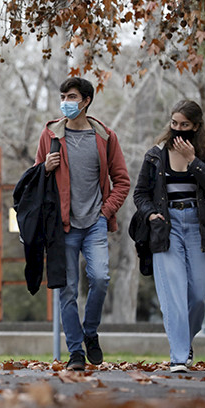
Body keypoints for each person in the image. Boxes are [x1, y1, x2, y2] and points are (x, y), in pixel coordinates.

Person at [35, 77, 130, 370]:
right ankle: (75, 351)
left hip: (95, 223)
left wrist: (105, 212)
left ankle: (90, 332)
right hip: (62, 226)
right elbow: (33, 183)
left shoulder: (105, 137)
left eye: (72, 96)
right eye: (63, 96)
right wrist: (44, 169)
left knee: (100, 279)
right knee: (67, 290)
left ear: (86, 101)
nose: (66, 101)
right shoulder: (50, 135)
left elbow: (122, 181)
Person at [133, 100, 205, 373]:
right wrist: (150, 214)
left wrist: (193, 161)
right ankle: (179, 356)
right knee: (172, 294)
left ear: (196, 126)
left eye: (185, 125)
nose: (178, 129)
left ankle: (187, 340)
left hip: (198, 227)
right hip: (166, 227)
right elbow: (140, 193)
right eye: (174, 123)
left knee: (196, 296)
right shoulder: (155, 155)